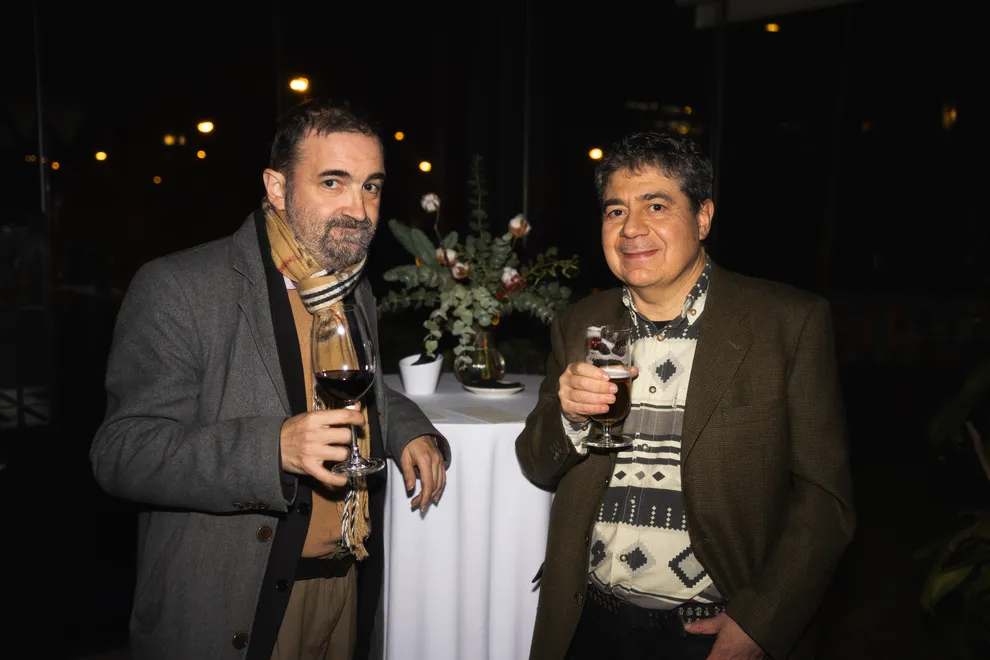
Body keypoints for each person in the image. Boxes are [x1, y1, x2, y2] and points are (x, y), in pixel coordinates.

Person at [90, 98, 449, 660]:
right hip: (235, 602)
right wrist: (272, 448)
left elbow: (353, 384)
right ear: (277, 188)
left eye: (371, 186)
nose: (358, 209)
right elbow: (122, 452)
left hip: (344, 586)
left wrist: (407, 429)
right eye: (333, 182)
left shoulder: (350, 288)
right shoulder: (181, 286)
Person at [515, 131, 854, 660]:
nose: (631, 228)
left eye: (656, 205)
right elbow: (536, 461)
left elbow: (824, 501)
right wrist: (569, 417)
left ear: (703, 217)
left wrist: (761, 623)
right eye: (615, 210)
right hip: (588, 623)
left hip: (711, 632)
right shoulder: (580, 323)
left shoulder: (785, 324)